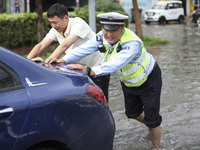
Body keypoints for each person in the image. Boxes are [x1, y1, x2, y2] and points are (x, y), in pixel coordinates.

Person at [52, 12, 163, 148]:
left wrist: (89, 70)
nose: (109, 34)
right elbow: (84, 49)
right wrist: (63, 60)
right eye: (106, 29)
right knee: (132, 113)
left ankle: (156, 144)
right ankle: (154, 125)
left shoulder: (132, 43)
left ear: (122, 28)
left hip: (149, 80)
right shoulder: (101, 37)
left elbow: (115, 64)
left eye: (113, 30)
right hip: (128, 81)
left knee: (152, 120)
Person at [27, 3, 110, 101]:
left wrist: (48, 64)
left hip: (96, 69)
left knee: (100, 102)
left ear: (65, 18)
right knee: (81, 102)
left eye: (55, 22)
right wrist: (26, 62)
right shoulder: (56, 30)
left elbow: (66, 44)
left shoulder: (78, 24)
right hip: (77, 70)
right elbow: (41, 45)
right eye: (50, 23)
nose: (53, 26)